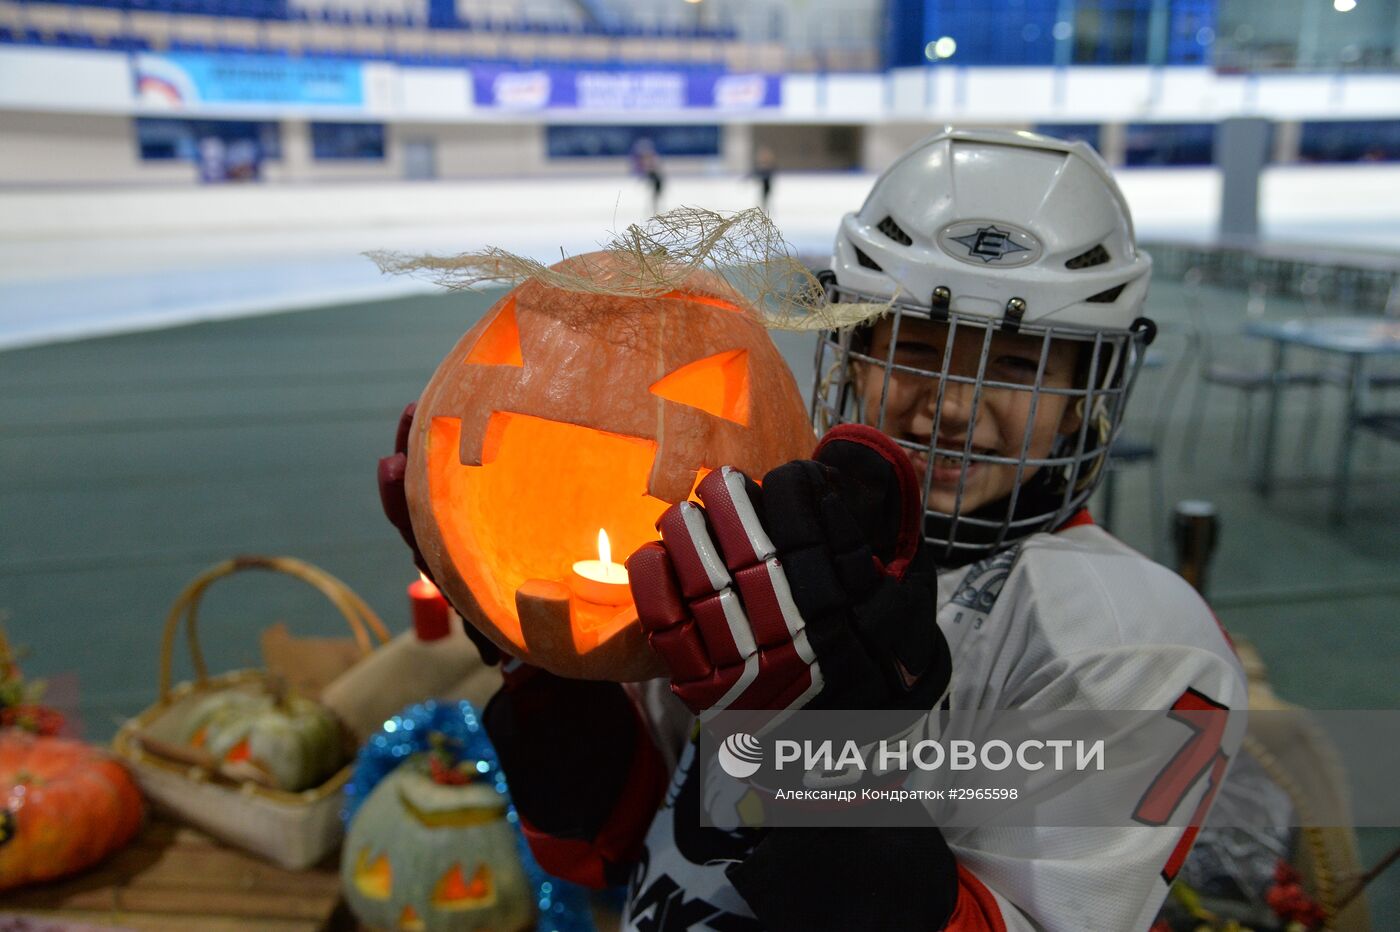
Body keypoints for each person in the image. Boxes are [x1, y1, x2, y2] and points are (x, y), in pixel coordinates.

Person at [379, 128, 1247, 931]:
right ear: (854, 350)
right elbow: (617, 844)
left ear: (1087, 396)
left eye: (1017, 364)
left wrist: (825, 771)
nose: (949, 405)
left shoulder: (1139, 645)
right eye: (914, 346)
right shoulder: (754, 538)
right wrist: (556, 678)